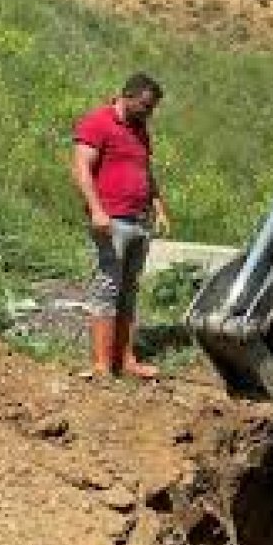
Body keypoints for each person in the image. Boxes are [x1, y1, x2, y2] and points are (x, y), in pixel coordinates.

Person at [71, 73, 171, 379]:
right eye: (144, 106)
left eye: (152, 108)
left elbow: (145, 170)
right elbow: (80, 168)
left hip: (139, 221)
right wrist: (97, 210)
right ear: (126, 96)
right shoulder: (98, 122)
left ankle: (126, 360)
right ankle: (102, 365)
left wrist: (159, 206)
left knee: (129, 292)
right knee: (107, 289)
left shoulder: (140, 130)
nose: (148, 112)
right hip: (111, 221)